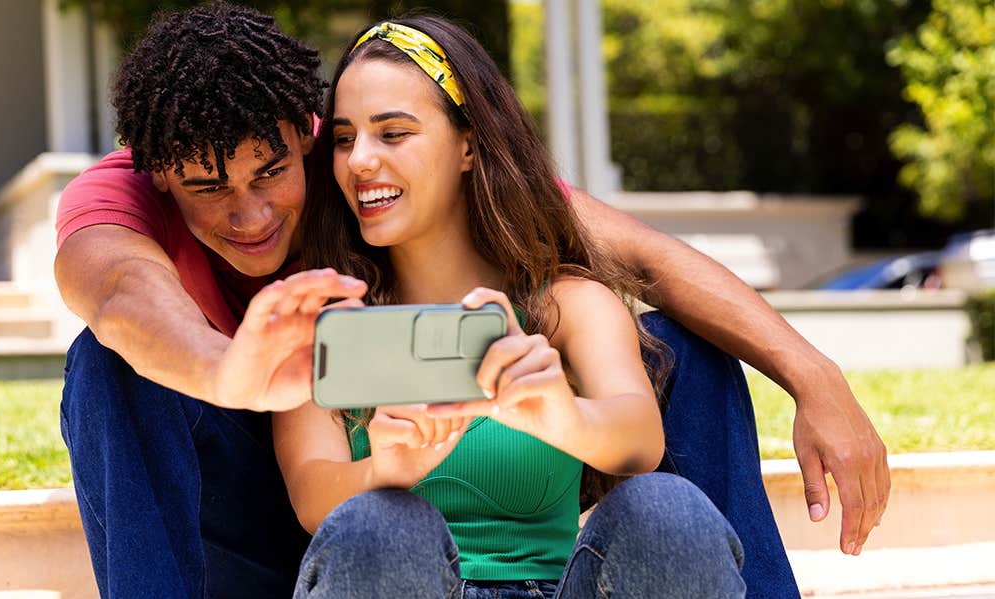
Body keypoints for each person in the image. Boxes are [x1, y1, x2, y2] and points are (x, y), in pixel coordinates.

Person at [53, 2, 886, 597]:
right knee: (108, 361)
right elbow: (120, 295)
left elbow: (641, 256)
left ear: (304, 136)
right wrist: (239, 376)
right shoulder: (137, 201)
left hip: (497, 518)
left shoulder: (362, 165)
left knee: (686, 344)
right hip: (309, 497)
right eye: (208, 189)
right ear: (160, 175)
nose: (251, 212)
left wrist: (815, 377)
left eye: (274, 171)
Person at [277, 15, 746, 597]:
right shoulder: (324, 320)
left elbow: (640, 439)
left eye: (392, 133)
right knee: (380, 525)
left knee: (667, 509)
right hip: (394, 575)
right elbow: (310, 493)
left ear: (468, 145)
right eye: (345, 139)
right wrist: (384, 469)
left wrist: (559, 414)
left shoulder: (564, 306)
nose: (359, 161)